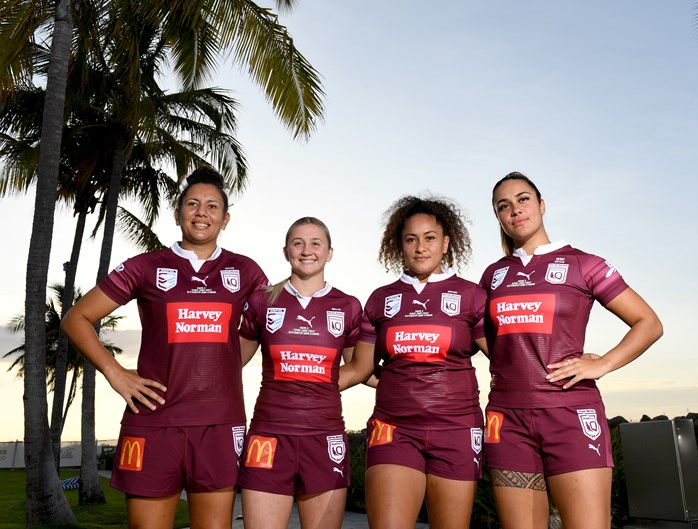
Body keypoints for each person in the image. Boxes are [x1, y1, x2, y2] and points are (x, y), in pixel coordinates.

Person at [61, 166, 268, 529]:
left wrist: (226, 362)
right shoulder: (146, 266)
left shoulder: (246, 271)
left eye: (212, 206)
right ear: (177, 213)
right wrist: (115, 373)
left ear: (225, 219)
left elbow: (268, 325)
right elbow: (75, 318)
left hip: (219, 425)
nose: (202, 212)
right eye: (192, 203)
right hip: (153, 422)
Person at [480, 171, 664, 529]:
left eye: (523, 199)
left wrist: (603, 363)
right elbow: (489, 340)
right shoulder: (492, 277)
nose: (515, 210)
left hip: (570, 413)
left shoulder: (584, 263)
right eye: (504, 206)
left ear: (542, 205)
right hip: (508, 418)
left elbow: (648, 323)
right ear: (498, 217)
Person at [339, 195, 488, 529]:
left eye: (430, 238)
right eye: (411, 239)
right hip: (395, 429)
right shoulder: (381, 299)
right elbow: (360, 368)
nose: (421, 247)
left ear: (446, 243)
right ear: (400, 245)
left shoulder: (472, 295)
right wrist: (299, 383)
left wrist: (579, 362)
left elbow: (507, 356)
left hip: (456, 429)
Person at [238, 217, 363, 529]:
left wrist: (406, 380)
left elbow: (359, 367)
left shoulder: (348, 305)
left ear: (329, 252)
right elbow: (230, 361)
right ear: (286, 252)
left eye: (316, 243)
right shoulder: (262, 300)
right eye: (298, 243)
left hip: (324, 436)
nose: (307, 251)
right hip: (269, 435)